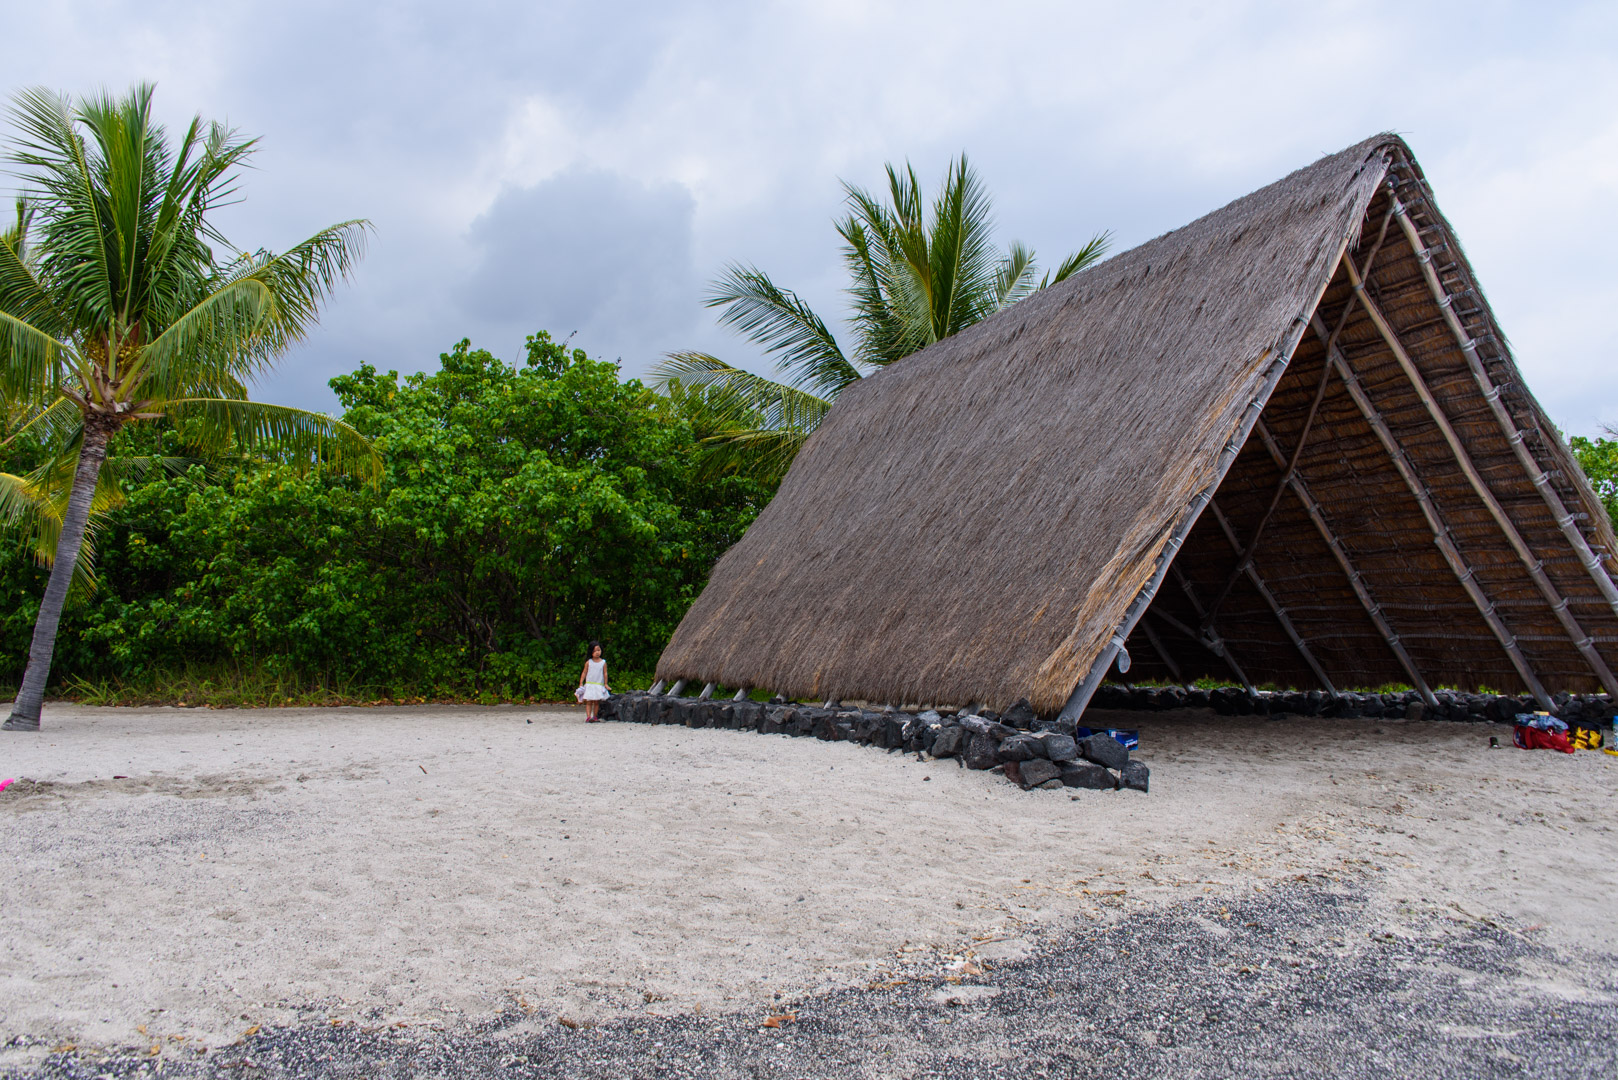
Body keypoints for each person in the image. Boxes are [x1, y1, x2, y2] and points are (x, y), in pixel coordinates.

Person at [578, 641, 611, 722]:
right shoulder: (588, 662)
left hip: (598, 684)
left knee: (596, 702)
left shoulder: (603, 662)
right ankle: (588, 717)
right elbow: (584, 672)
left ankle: (595, 716)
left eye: (598, 650)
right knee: (589, 702)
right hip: (590, 684)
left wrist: (605, 684)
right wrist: (581, 682)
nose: (597, 652)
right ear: (591, 652)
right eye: (594, 651)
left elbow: (605, 673)